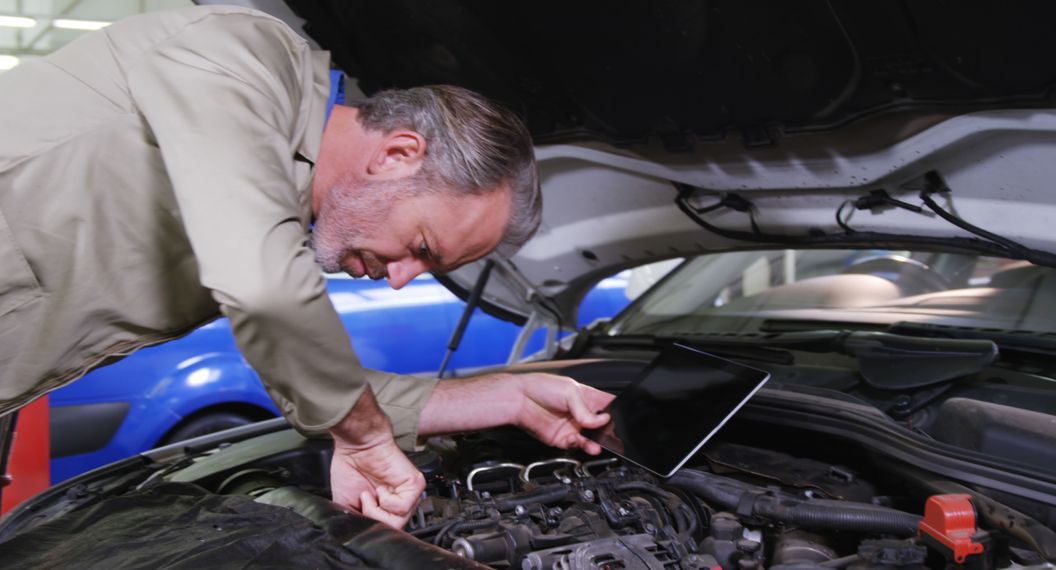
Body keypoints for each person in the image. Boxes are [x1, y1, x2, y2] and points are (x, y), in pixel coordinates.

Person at [0, 5, 613, 528]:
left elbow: (308, 379)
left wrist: (506, 397)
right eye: (422, 248)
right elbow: (270, 297)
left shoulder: (265, 214)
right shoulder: (244, 54)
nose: (401, 278)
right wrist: (363, 436)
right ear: (398, 154)